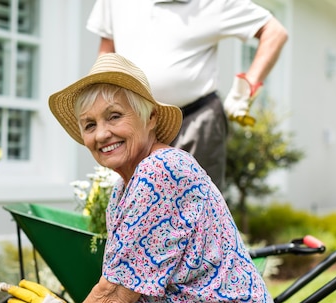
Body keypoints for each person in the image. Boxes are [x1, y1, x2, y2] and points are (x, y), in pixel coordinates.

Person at [6, 53, 285, 303]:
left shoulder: (160, 170)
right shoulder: (127, 186)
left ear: (150, 117)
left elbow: (119, 293)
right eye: (88, 124)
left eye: (114, 116)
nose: (101, 133)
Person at [86, 0, 288, 190]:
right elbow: (107, 50)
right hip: (135, 124)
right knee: (136, 203)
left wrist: (246, 88)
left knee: (198, 208)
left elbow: (274, 32)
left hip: (196, 122)